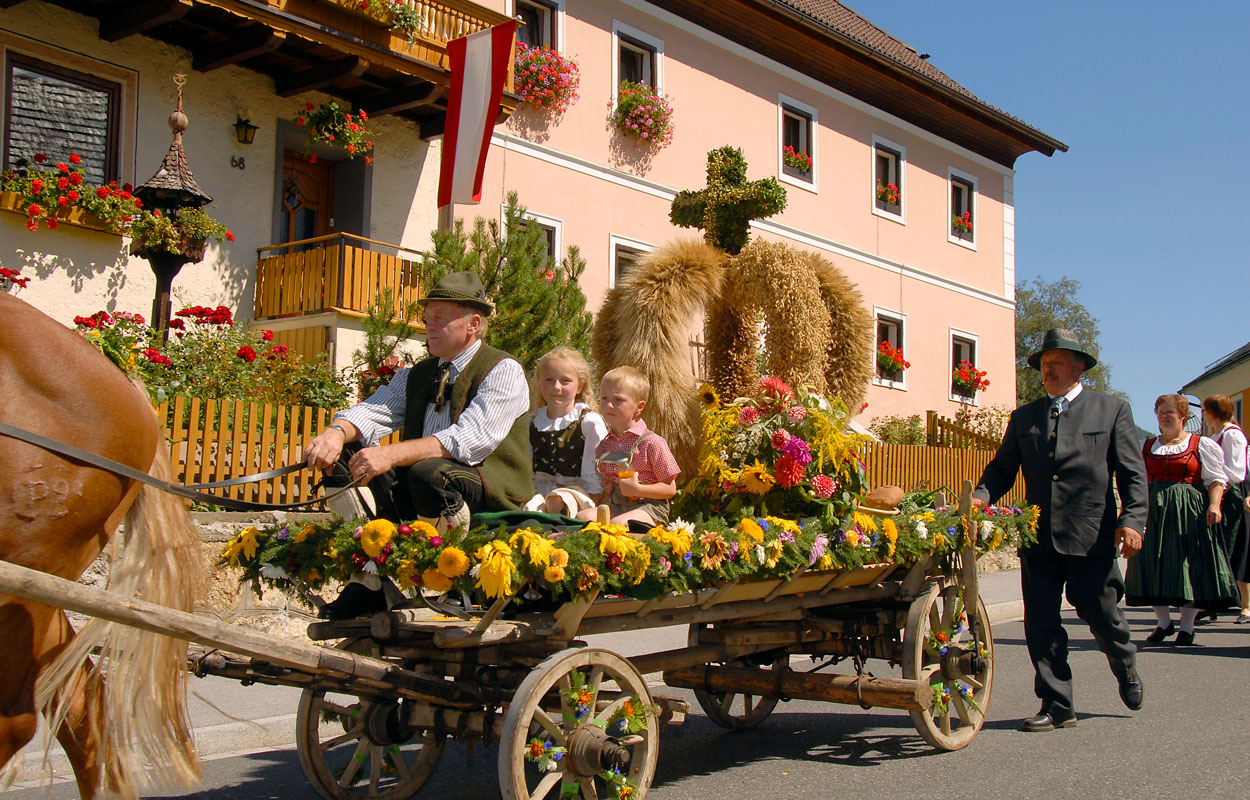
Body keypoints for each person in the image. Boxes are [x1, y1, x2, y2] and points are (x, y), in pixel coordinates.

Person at [304, 272, 534, 619]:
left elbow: (468, 441)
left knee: (431, 472)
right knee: (345, 456)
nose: (428, 325)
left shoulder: (503, 369)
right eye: (427, 317)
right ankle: (369, 579)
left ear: (473, 323)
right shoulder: (419, 373)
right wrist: (335, 433)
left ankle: (456, 579)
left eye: (439, 317)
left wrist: (390, 453)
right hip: (424, 487)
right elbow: (375, 410)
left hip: (489, 488)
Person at [972, 328, 1147, 732]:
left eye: (1056, 363)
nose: (1047, 370)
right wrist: (982, 497)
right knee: (1042, 624)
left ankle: (1125, 665)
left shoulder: (1111, 410)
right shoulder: (1025, 417)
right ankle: (1057, 704)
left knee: (1104, 617)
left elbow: (1133, 475)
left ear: (1078, 366)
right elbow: (1002, 469)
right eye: (1044, 365)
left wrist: (1132, 520)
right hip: (1039, 537)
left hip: (1091, 536)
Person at [1125, 395, 1235, 644]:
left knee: (1188, 564)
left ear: (1183, 416)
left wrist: (1215, 504)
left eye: (1170, 413)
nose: (1164, 417)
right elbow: (1135, 480)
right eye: (1161, 412)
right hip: (1153, 511)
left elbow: (1216, 479)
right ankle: (1163, 623)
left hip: (1189, 511)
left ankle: (1187, 627)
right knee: (1152, 562)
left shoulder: (1200, 444)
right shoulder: (1145, 445)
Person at [576, 366, 680, 527]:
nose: (609, 405)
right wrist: (599, 509)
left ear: (639, 407)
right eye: (604, 398)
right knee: (583, 518)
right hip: (616, 505)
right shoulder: (604, 446)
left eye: (618, 400)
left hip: (649, 506)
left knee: (619, 524)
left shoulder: (652, 442)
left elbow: (670, 488)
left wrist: (637, 489)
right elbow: (608, 489)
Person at [524, 347, 609, 518]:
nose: (556, 387)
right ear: (540, 384)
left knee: (557, 500)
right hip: (539, 491)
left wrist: (593, 503)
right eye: (549, 380)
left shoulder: (588, 422)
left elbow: (595, 470)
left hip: (576, 493)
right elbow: (526, 466)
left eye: (565, 381)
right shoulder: (532, 423)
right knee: (531, 510)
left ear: (580, 387)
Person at [1201, 395, 1250, 624]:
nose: (1203, 414)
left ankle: (1238, 603)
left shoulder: (1232, 435)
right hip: (1221, 494)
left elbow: (1237, 472)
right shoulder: (1216, 436)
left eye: (1205, 410)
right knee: (1218, 547)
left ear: (1213, 412)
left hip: (1232, 496)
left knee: (1233, 546)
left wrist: (1218, 480)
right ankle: (1215, 601)